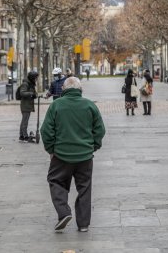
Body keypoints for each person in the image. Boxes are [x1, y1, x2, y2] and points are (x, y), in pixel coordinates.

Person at [40, 77, 106, 233]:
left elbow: (46, 131)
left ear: (63, 89)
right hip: (85, 156)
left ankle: (64, 212)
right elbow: (100, 130)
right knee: (84, 188)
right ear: (80, 89)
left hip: (61, 156)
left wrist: (51, 150)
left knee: (55, 181)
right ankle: (83, 224)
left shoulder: (56, 105)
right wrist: (93, 146)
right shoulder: (90, 105)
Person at [19, 71, 38, 142]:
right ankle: (25, 136)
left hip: (28, 104)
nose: (36, 79)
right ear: (32, 77)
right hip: (25, 105)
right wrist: (31, 94)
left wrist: (34, 94)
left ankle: (21, 135)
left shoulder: (31, 84)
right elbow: (22, 92)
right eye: (35, 78)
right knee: (25, 121)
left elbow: (33, 93)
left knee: (24, 120)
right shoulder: (25, 84)